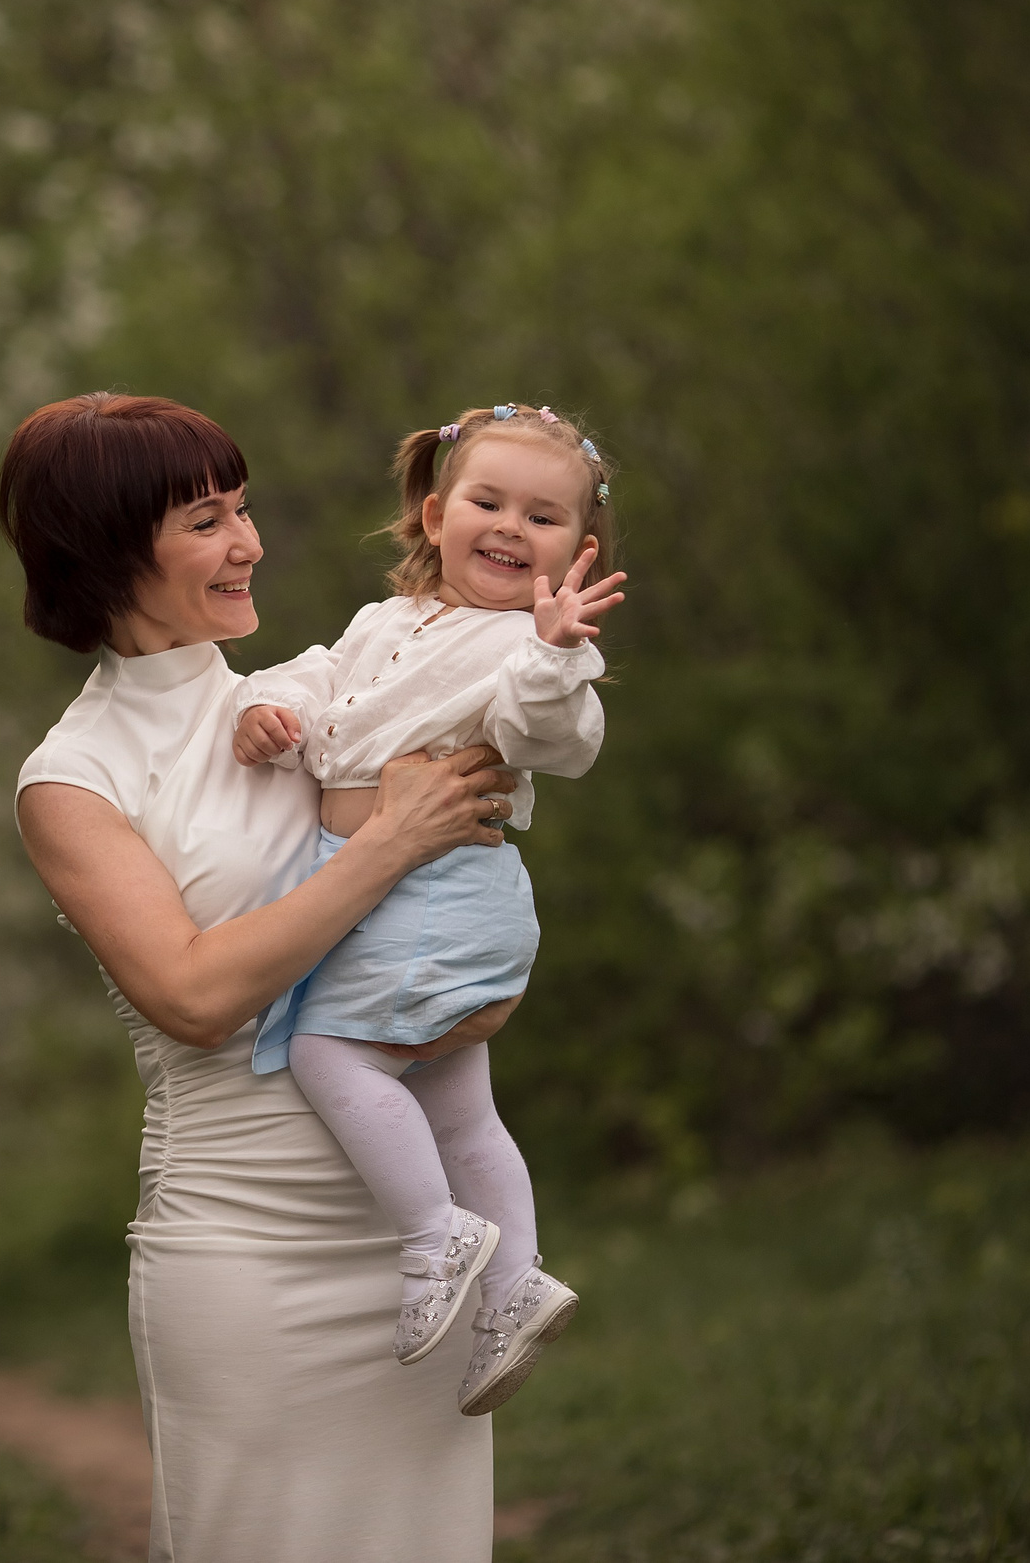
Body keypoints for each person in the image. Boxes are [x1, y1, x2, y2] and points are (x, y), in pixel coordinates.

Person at [8, 392, 521, 1562]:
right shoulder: (73, 775)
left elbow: (457, 921)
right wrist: (393, 839)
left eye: (242, 511)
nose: (248, 545)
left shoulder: (327, 696)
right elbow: (191, 998)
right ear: (103, 547)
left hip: (420, 1243)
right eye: (205, 521)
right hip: (246, 1254)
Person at [228, 404, 626, 1419]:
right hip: (403, 890)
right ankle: (514, 1282)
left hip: (438, 885)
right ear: (436, 513)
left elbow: (557, 736)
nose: (506, 526)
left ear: (576, 553)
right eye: (487, 502)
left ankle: (433, 1234)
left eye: (539, 518)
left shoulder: (523, 650)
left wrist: (550, 653)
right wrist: (265, 708)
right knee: (456, 1104)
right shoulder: (385, 623)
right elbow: (322, 680)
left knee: (329, 1056)